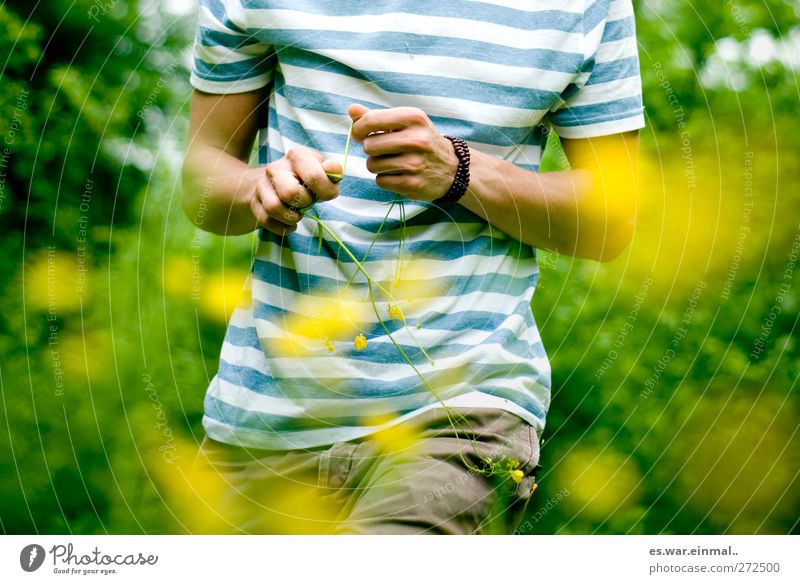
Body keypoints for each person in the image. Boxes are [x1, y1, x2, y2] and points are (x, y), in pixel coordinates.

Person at [182, 0, 643, 534]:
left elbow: (611, 222)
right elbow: (201, 178)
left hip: (463, 412)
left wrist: (459, 171)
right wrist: (258, 188)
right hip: (261, 420)